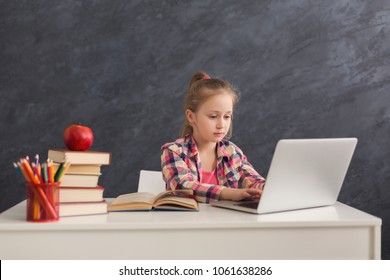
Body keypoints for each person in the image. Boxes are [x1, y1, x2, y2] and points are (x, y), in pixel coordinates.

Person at [161, 72, 265, 203]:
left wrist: (266, 189)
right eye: (213, 116)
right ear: (191, 117)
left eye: (227, 116)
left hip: (223, 222)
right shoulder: (174, 151)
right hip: (186, 222)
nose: (221, 125)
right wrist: (228, 193)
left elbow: (254, 180)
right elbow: (182, 187)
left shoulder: (232, 152)